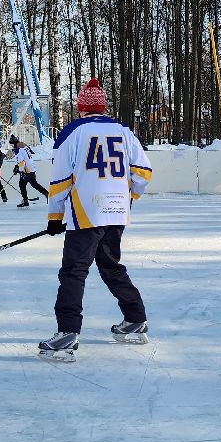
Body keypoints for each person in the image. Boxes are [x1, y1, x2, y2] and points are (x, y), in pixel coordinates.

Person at [40, 77, 152, 356]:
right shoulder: (124, 131)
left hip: (87, 213)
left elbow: (61, 179)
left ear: (81, 108)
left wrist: (55, 216)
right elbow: (143, 173)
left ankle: (67, 332)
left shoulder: (73, 132)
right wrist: (128, 198)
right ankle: (135, 319)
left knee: (74, 270)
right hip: (116, 212)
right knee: (111, 265)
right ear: (103, 107)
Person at [9, 135, 48, 207]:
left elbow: (21, 162)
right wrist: (17, 166)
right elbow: (30, 153)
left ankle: (25, 200)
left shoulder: (18, 150)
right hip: (32, 167)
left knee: (22, 184)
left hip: (26, 170)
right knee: (33, 184)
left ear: (14, 143)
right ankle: (46, 194)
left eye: (11, 145)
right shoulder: (24, 146)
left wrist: (19, 170)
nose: (11, 147)